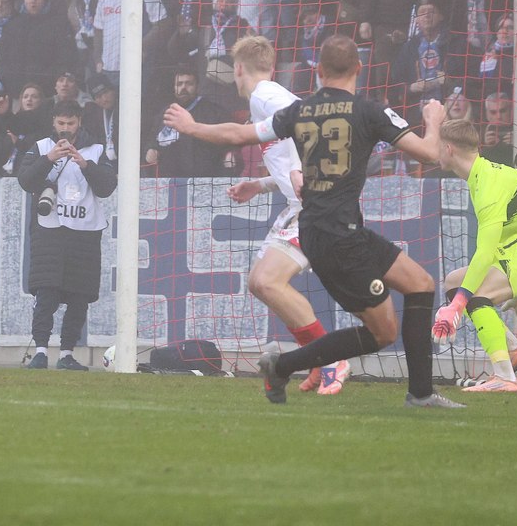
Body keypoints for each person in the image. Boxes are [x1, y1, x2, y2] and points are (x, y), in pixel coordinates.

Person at [164, 34, 463, 408]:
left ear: (318, 71)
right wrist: (433, 119)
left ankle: (416, 392)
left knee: (420, 284)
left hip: (326, 229)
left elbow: (239, 134)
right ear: (359, 68)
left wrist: (194, 128)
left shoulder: (302, 112)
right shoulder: (369, 111)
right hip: (338, 236)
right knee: (382, 332)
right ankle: (292, 366)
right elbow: (429, 154)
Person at [224, 36, 349, 395]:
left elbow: (309, 122)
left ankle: (332, 358)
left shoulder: (264, 95)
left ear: (238, 69)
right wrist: (261, 185)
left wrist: (303, 170)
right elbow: (291, 148)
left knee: (268, 282)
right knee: (259, 282)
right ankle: (318, 359)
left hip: (317, 207)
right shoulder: (267, 97)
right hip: (302, 205)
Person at [430, 119, 517, 392]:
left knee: (474, 294)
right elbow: (511, 233)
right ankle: (513, 350)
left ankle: (505, 377)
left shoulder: (488, 184)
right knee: (454, 281)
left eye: (437, 146)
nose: (434, 152)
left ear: (448, 149)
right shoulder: (480, 176)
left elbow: (485, 253)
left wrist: (456, 306)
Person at [17, 100, 117, 370]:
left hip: (85, 231)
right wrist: (49, 159)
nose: (65, 128)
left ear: (79, 122)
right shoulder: (41, 147)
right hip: (50, 230)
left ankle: (66, 354)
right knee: (46, 293)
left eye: (70, 123)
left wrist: (85, 164)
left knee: (79, 296)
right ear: (53, 122)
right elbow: (25, 180)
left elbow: (108, 186)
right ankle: (40, 351)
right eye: (61, 123)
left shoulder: (96, 149)